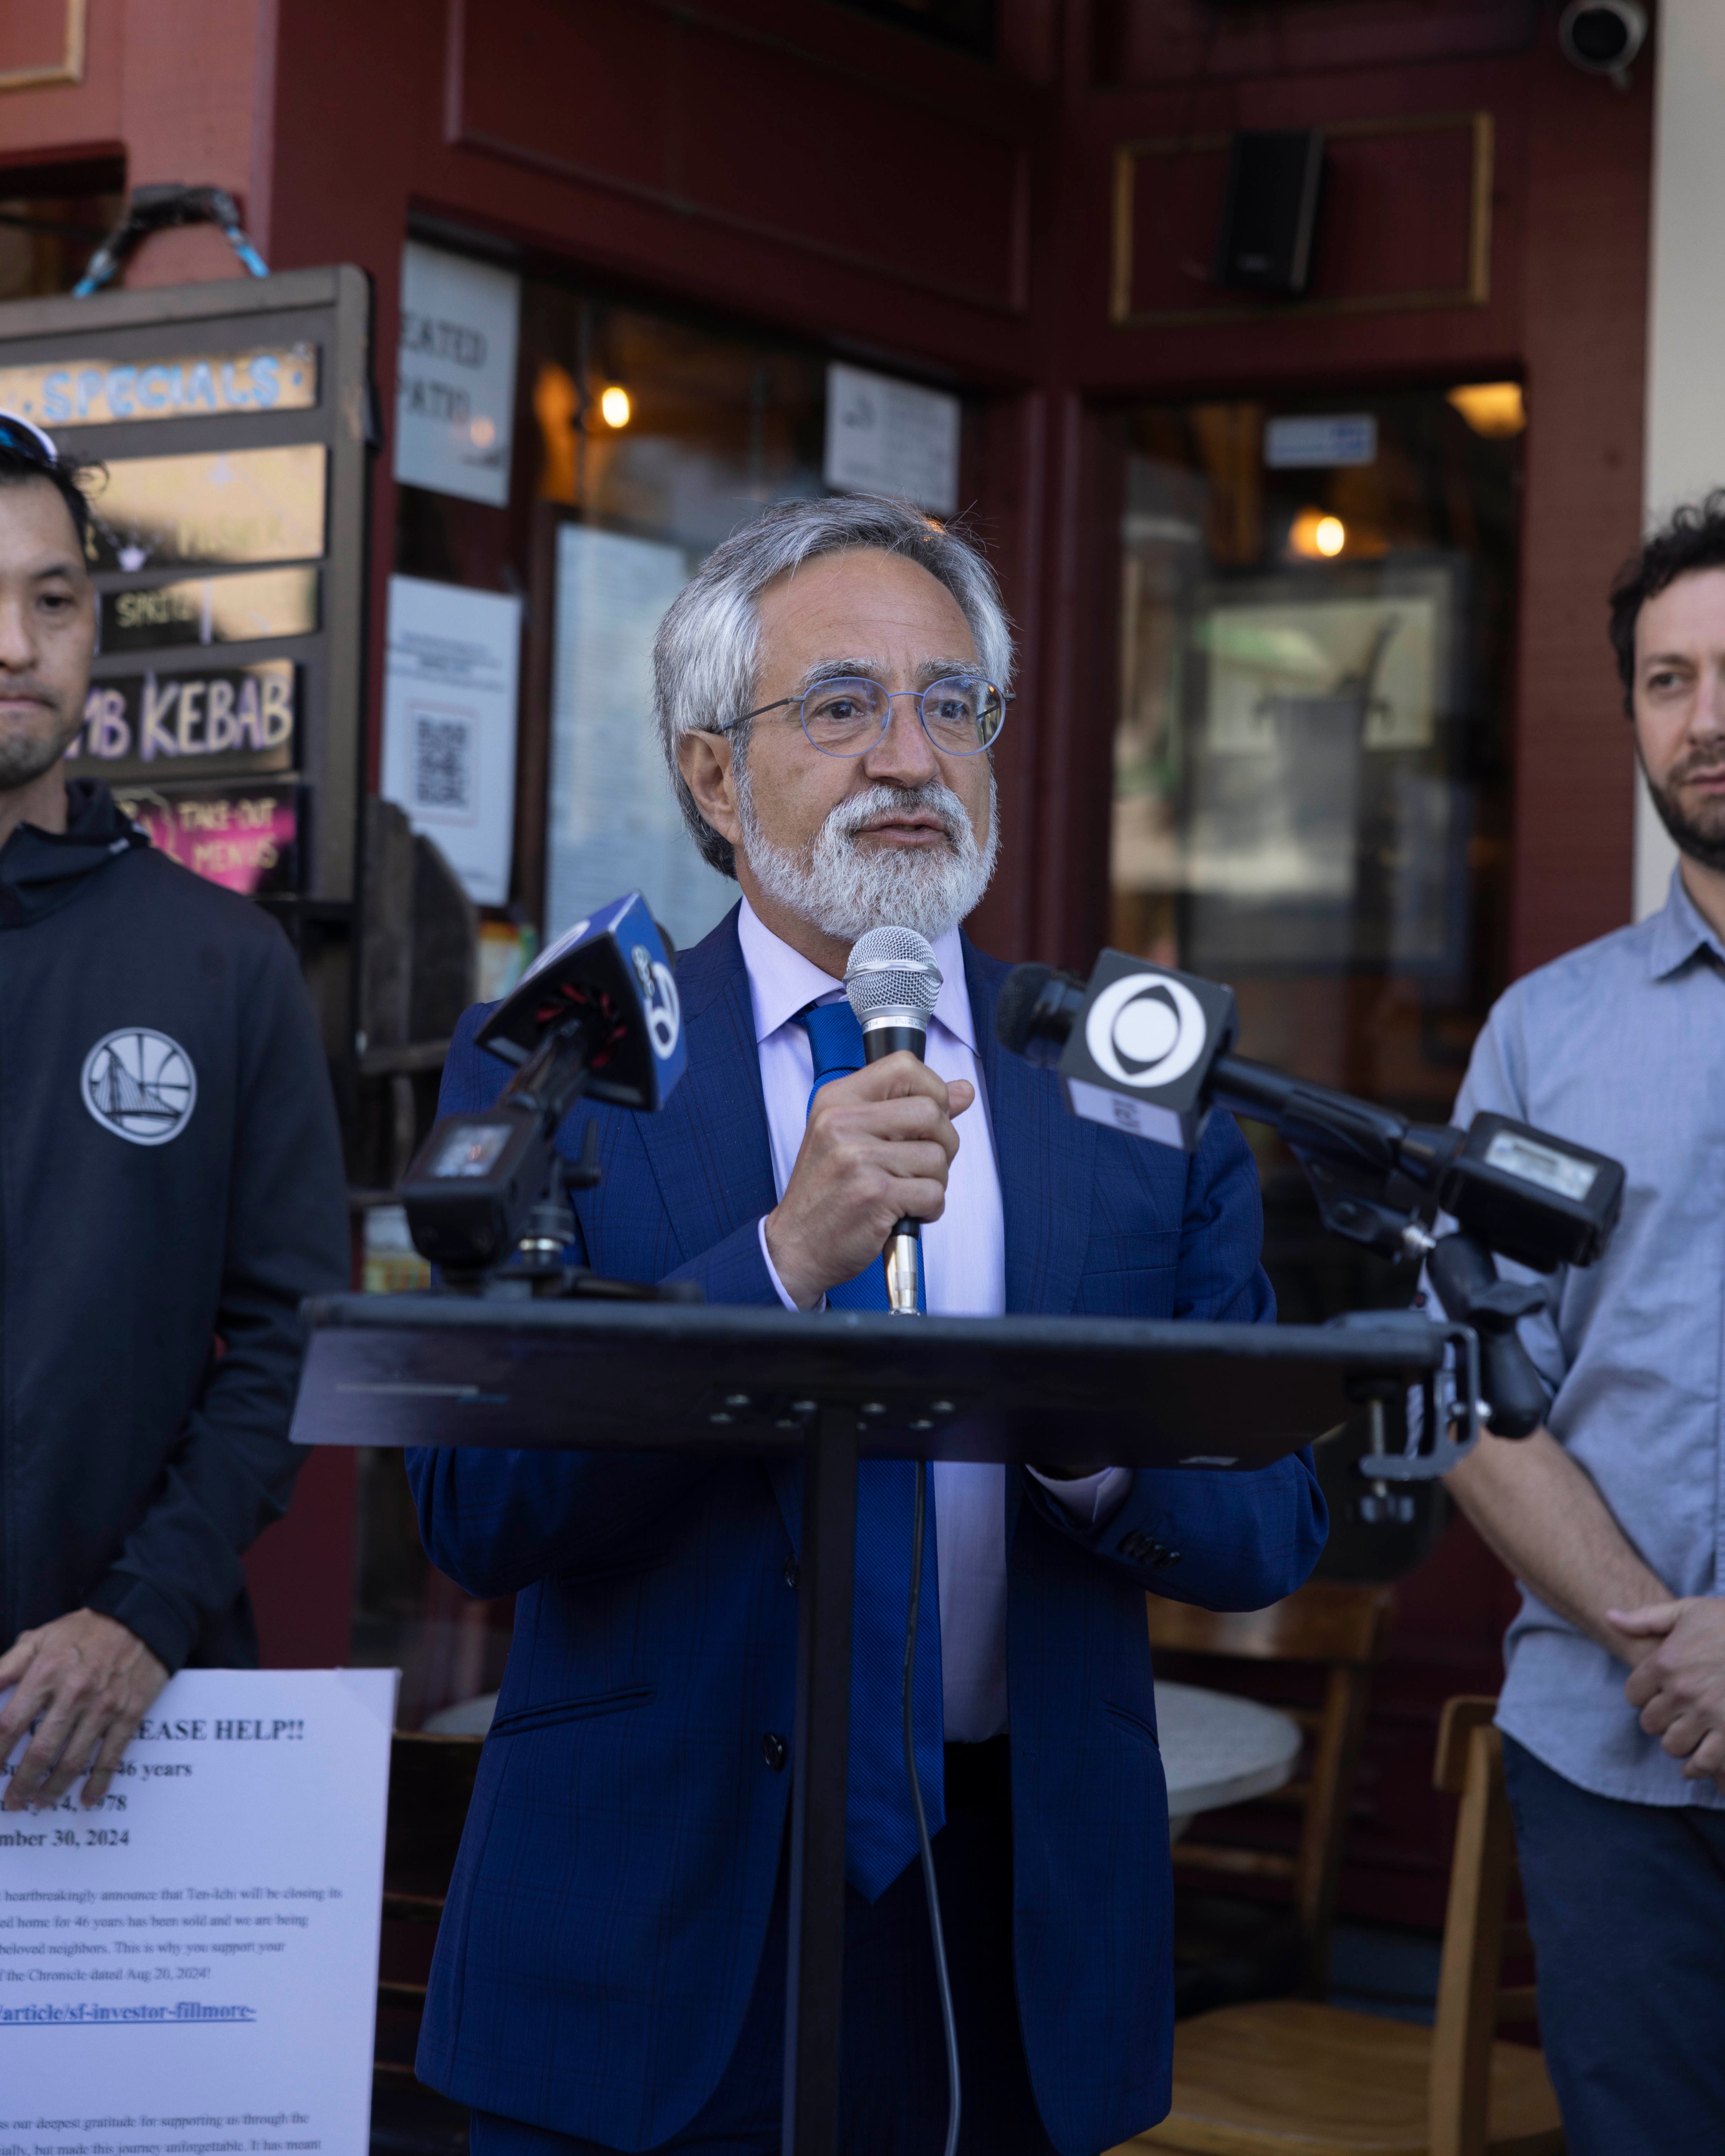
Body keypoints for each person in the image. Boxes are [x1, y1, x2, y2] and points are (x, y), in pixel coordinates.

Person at [407, 495, 1327, 2156]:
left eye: (951, 705)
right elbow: (473, 1511)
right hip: (648, 1915)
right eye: (842, 705)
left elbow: (1271, 1523)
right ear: (709, 771)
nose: (909, 754)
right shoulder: (562, 1066)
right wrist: (769, 1263)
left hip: (1009, 1912)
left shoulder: (1127, 1088)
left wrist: (1090, 1453)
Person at [0, 413, 349, 1815]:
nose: (17, 645)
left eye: (52, 599)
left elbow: (294, 1333)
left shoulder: (219, 962)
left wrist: (144, 1612)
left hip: (129, 1736)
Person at [1438, 495, 1725, 2154]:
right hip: (1612, 1765)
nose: (1708, 720)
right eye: (1668, 680)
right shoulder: (1546, 1037)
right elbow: (1477, 1386)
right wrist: (1661, 1639)